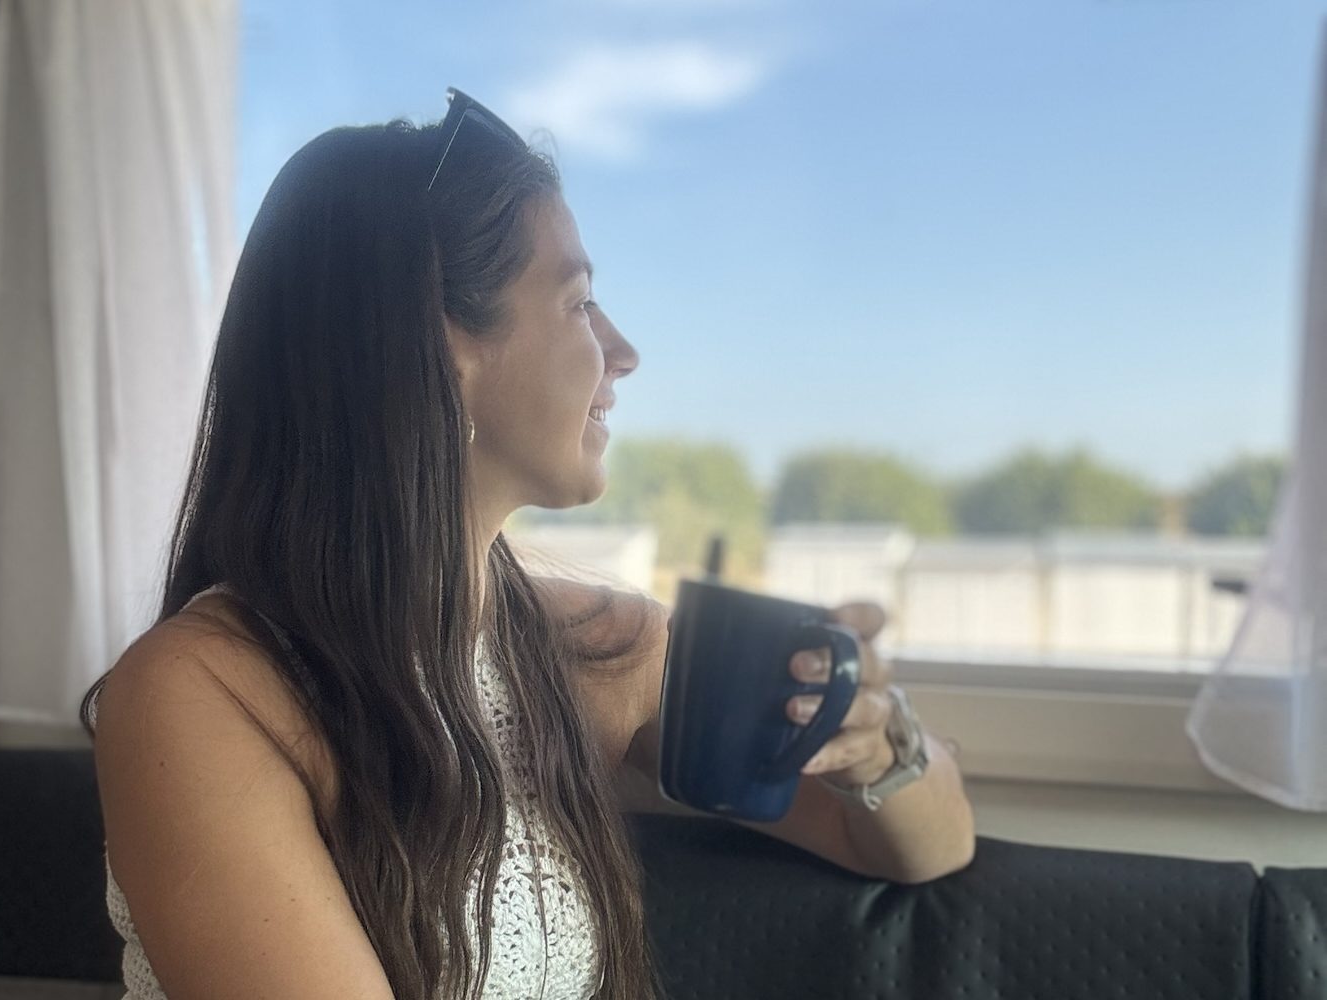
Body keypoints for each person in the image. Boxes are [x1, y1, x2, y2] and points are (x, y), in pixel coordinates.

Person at [80, 88, 976, 1000]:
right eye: (580, 301)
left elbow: (930, 849)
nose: (621, 352)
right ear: (442, 339)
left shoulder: (591, 651)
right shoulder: (201, 693)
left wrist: (874, 747)